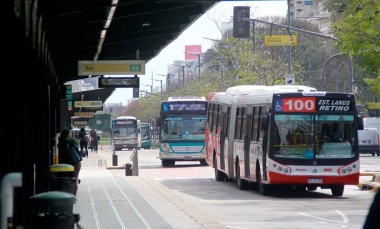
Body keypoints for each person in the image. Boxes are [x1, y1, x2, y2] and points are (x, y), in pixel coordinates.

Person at [58, 129, 82, 196]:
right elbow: (77, 142)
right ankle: (73, 196)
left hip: (65, 163)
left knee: (67, 179)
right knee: (74, 179)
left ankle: (67, 194)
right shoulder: (71, 141)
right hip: (76, 162)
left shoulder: (60, 141)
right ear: (68, 135)